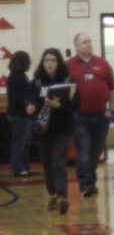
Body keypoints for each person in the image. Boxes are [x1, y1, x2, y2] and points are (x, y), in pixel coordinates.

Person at [26, 48, 78, 215]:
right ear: (42, 62)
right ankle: (52, 194)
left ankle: (62, 196)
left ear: (59, 62)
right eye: (46, 60)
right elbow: (30, 99)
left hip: (63, 128)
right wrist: (30, 105)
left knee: (58, 163)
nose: (49, 63)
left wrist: (60, 105)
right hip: (43, 130)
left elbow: (76, 105)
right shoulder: (36, 82)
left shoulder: (68, 81)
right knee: (47, 165)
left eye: (53, 60)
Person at [66, 32, 114, 198]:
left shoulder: (102, 63)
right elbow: (63, 90)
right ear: (76, 46)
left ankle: (90, 179)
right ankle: (86, 184)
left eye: (90, 41)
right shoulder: (68, 65)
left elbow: (112, 88)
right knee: (84, 151)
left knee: (96, 151)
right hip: (79, 116)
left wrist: (112, 109)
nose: (89, 44)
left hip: (101, 115)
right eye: (85, 42)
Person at [6, 51, 36, 178]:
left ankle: (24, 167)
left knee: (23, 142)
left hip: (19, 114)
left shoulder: (18, 75)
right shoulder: (17, 77)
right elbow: (20, 97)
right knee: (20, 142)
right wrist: (28, 106)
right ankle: (18, 168)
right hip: (19, 115)